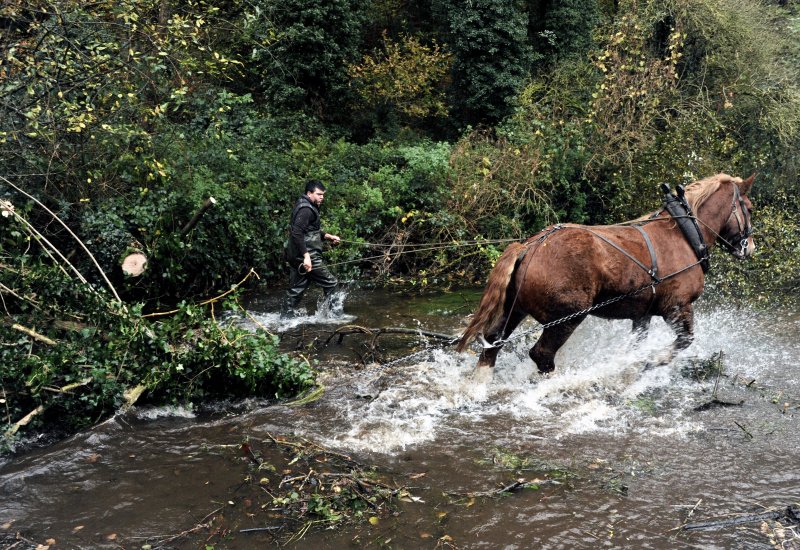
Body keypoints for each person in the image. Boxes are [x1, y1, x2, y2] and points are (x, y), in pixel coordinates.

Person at [282, 179, 341, 317]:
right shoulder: (306, 210)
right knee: (331, 283)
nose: (322, 197)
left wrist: (328, 236)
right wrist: (306, 256)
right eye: (319, 194)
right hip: (308, 256)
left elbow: (309, 230)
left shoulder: (305, 205)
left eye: (323, 195)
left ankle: (285, 319)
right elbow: (296, 233)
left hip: (297, 255)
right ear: (309, 193)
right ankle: (336, 317)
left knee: (297, 288)